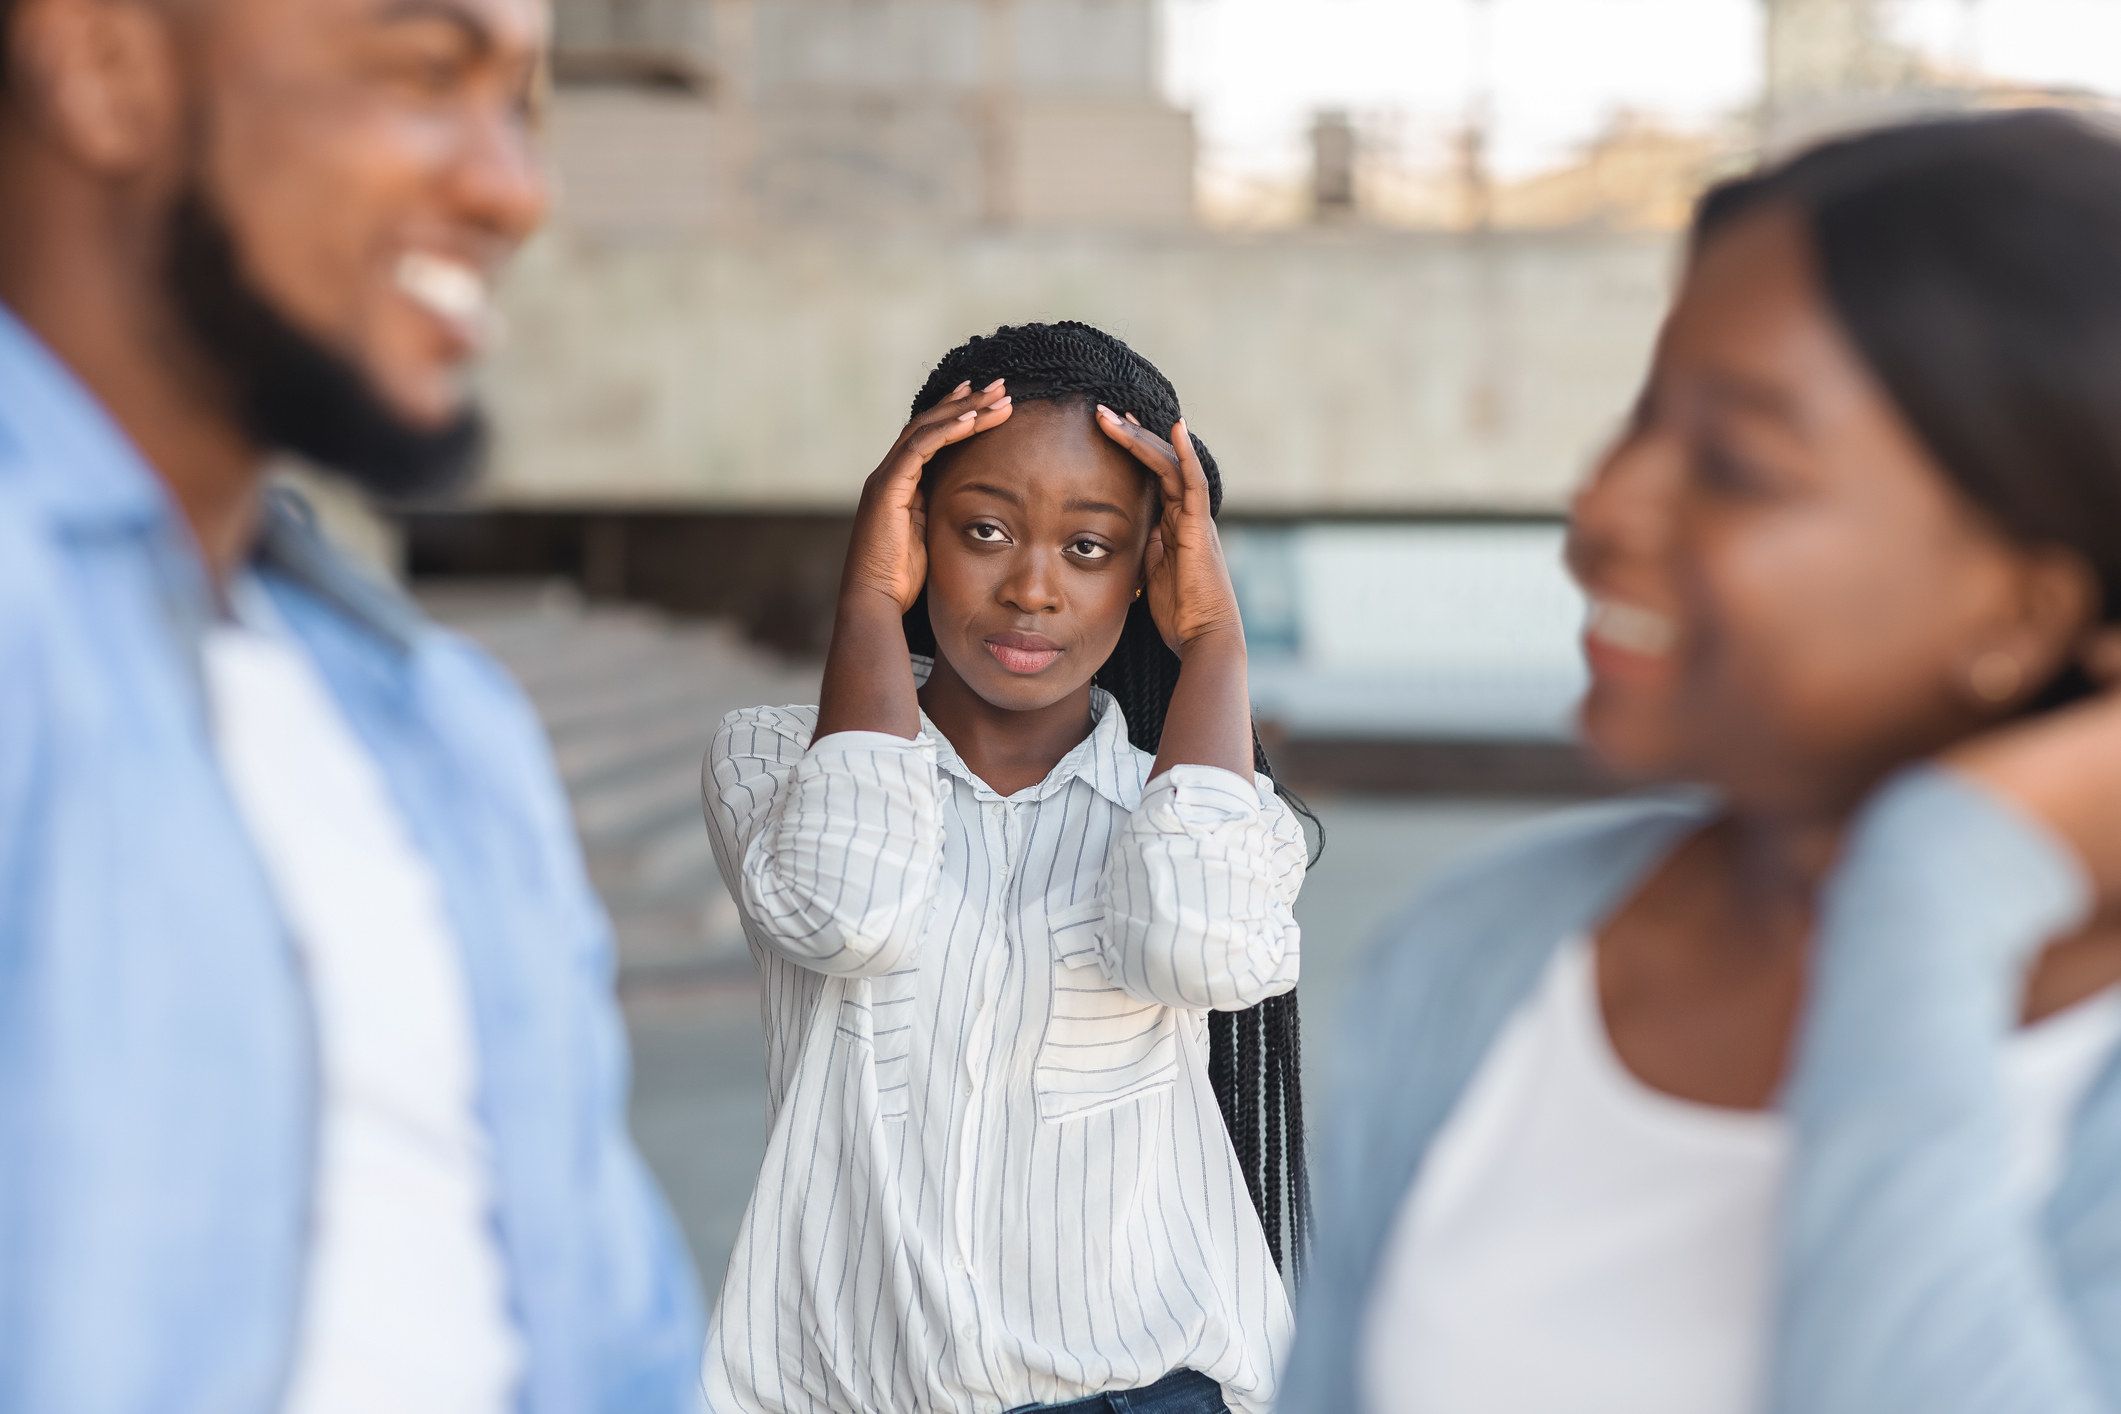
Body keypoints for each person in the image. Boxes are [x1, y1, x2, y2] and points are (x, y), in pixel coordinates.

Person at [1279, 110, 2121, 1414]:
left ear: (2024, 610)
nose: (1603, 506)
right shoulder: (1483, 952)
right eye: (1642, 418)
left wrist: (1936, 879)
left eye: (1734, 464)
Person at [0, 0, 702, 1401]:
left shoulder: (446, 728)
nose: (514, 190)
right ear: (100, 60)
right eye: (427, 73)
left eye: (523, 106)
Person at [699, 321, 1312, 1414]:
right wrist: (865, 599)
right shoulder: (775, 764)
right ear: (912, 528)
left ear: (1148, 571)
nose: (1033, 588)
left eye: (1090, 547)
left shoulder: (1206, 814)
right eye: (984, 530)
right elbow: (849, 912)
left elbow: (1193, 947)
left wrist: (1217, 640)